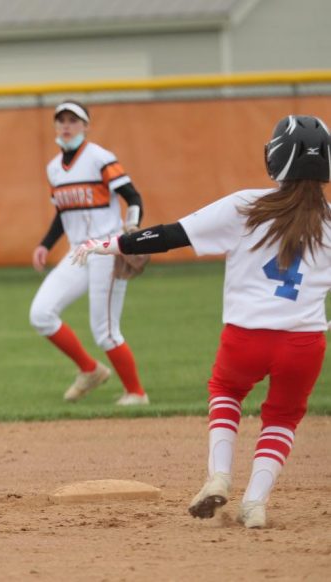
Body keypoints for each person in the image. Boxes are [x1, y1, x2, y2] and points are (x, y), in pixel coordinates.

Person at [71, 114, 331, 528]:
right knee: (282, 417)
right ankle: (255, 505)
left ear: (277, 157)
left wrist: (110, 244)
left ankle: (219, 476)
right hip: (305, 343)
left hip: (246, 335)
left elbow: (172, 234)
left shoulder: (247, 205)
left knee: (226, 392)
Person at [29, 100, 150, 406]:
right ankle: (90, 370)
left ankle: (136, 393)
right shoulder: (54, 168)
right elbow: (62, 213)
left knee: (105, 331)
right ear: (56, 127)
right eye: (61, 121)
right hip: (77, 251)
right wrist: (45, 244)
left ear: (85, 125)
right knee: (41, 314)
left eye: (73, 120)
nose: (66, 126)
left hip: (105, 248)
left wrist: (131, 230)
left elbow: (132, 197)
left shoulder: (100, 158)